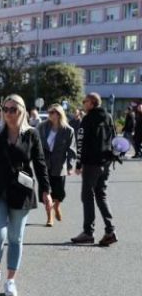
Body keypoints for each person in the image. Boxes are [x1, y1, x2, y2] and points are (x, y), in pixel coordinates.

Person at [0, 94, 51, 296]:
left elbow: (39, 163)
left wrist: (46, 191)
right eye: (6, 109)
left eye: (14, 109)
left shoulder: (32, 134)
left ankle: (11, 280)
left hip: (21, 191)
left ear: (22, 111)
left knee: (16, 237)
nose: (9, 113)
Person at [71, 93, 117, 247]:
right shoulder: (108, 117)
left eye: (85, 101)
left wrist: (78, 164)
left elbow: (81, 143)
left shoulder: (88, 118)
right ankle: (110, 230)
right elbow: (114, 139)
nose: (83, 103)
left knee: (87, 196)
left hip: (91, 163)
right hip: (106, 162)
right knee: (101, 195)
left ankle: (88, 232)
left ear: (91, 103)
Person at [37, 104, 77, 227]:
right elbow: (36, 144)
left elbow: (71, 150)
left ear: (59, 114)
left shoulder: (68, 130)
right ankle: (49, 217)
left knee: (59, 193)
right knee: (45, 191)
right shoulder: (42, 127)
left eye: (52, 112)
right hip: (44, 164)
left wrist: (70, 166)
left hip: (60, 165)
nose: (50, 115)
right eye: (49, 112)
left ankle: (57, 206)